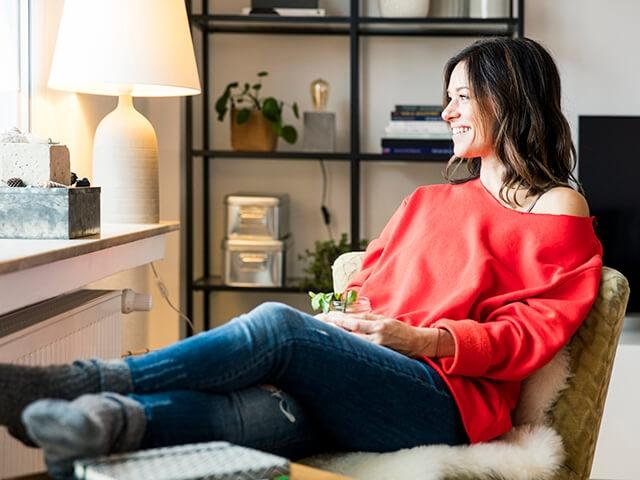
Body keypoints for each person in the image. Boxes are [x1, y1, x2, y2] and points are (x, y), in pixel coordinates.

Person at [0, 36, 602, 479]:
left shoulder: (556, 208)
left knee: (277, 329)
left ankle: (81, 380)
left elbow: (528, 334)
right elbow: (366, 286)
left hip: (443, 400)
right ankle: (96, 421)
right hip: (364, 376)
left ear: (509, 97)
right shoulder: (428, 200)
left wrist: (425, 341)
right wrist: (339, 320)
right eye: (446, 98)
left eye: (462, 98)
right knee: (257, 415)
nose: (446, 112)